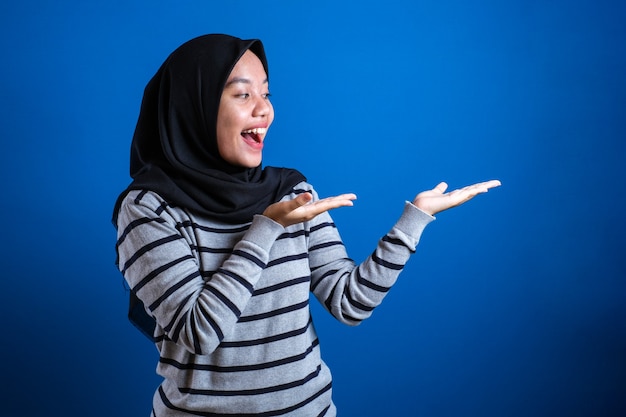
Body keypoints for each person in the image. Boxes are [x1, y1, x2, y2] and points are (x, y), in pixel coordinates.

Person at [113, 33, 500, 417]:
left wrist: (413, 221)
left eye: (266, 93)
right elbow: (200, 332)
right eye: (243, 94)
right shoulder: (148, 209)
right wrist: (265, 229)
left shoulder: (291, 191)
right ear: (194, 106)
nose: (265, 110)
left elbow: (350, 302)